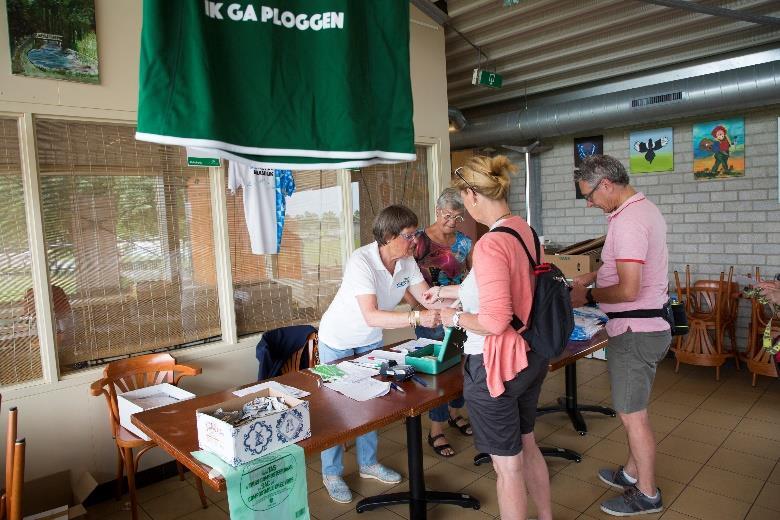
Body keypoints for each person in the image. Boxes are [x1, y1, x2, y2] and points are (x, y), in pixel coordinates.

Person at [425, 156, 552, 520]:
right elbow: (503, 290)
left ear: (471, 194)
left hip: (496, 364)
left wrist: (453, 316)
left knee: (507, 468)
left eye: (463, 202)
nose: (463, 211)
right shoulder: (522, 230)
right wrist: (449, 294)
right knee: (527, 445)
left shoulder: (489, 244)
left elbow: (495, 320)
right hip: (529, 355)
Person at [316, 204, 443, 504]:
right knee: (336, 409)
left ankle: (368, 463)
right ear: (388, 236)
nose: (416, 242)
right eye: (410, 236)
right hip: (338, 339)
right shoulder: (362, 261)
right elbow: (372, 314)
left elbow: (426, 299)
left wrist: (457, 311)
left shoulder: (407, 261)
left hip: (369, 340)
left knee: (372, 402)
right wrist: (416, 319)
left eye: (416, 235)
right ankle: (331, 472)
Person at [570, 155, 670, 516]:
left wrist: (588, 296)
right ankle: (631, 473)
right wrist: (591, 276)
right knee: (634, 408)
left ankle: (647, 494)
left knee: (633, 415)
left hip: (635, 330)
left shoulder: (628, 222)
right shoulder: (638, 211)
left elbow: (628, 290)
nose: (590, 203)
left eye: (590, 195)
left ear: (606, 184)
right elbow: (618, 264)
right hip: (644, 327)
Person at [406, 187, 473, 457]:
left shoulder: (465, 242)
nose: (452, 222)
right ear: (437, 211)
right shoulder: (419, 241)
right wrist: (416, 308)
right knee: (438, 373)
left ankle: (456, 413)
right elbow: (404, 278)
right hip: (430, 315)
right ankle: (436, 430)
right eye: (447, 215)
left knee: (461, 366)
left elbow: (473, 275)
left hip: (458, 312)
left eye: (458, 217)